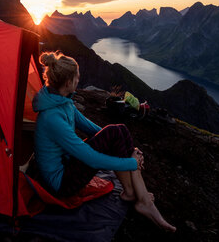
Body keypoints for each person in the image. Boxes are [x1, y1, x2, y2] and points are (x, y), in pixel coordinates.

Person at [32, 51, 176, 232]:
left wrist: (125, 146)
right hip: (61, 184)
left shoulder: (62, 100)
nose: (79, 79)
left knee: (119, 130)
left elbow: (91, 128)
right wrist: (131, 162)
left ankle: (135, 195)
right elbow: (91, 159)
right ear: (68, 83)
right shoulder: (51, 118)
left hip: (68, 165)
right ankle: (141, 199)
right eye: (77, 77)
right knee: (115, 135)